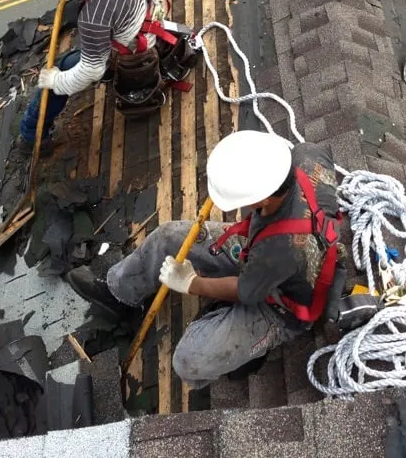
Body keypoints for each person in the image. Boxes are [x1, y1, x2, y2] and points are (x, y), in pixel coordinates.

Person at [66, 130, 345, 388]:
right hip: (263, 252)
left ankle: (246, 347)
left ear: (264, 198)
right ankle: (118, 293)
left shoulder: (281, 249)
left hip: (282, 305)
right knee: (168, 237)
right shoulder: (306, 155)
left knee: (189, 360)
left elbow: (246, 291)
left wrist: (192, 283)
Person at [17, 0, 172, 153]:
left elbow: (92, 70)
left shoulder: (93, 17)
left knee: (60, 68)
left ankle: (32, 137)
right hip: (152, 19)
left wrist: (56, 81)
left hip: (135, 51)